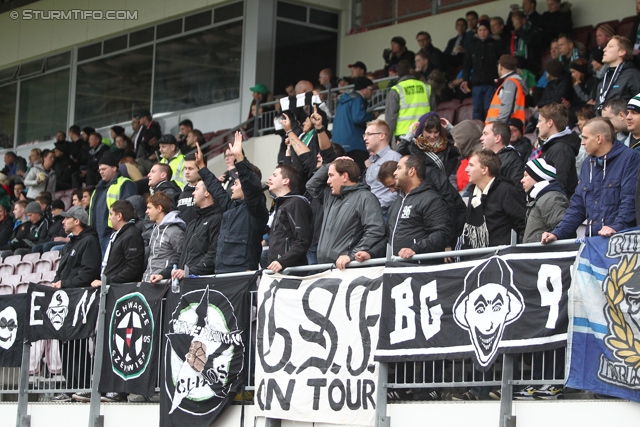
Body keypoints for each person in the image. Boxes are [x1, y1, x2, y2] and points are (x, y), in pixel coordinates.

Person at [543, 118, 640, 243]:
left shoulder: (630, 159)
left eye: (585, 138)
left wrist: (617, 227)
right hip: (593, 243)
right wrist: (557, 233)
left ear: (599, 139)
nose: (582, 143)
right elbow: (577, 206)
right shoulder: (587, 164)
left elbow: (630, 200)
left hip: (621, 244)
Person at [49, 206, 101, 403]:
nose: (62, 222)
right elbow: (61, 272)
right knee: (65, 344)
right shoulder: (69, 244)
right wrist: (56, 283)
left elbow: (88, 273)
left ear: (77, 221)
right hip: (65, 301)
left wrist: (65, 284)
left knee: (77, 345)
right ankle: (70, 387)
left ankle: (83, 388)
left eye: (66, 218)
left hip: (79, 300)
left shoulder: (89, 242)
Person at [195, 135, 267, 274]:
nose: (232, 188)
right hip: (222, 270)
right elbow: (216, 190)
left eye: (235, 183)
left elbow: (250, 185)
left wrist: (239, 158)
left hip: (241, 272)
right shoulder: (232, 207)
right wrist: (202, 167)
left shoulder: (255, 207)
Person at [306, 156, 386, 269]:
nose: (328, 181)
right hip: (325, 268)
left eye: (331, 175)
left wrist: (352, 255)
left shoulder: (365, 197)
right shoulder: (331, 196)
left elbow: (375, 230)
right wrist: (331, 165)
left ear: (344, 176)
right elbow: (311, 185)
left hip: (348, 268)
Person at [388, 155, 452, 259]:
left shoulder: (431, 199)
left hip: (421, 269)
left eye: (399, 168)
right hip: (397, 268)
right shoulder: (397, 203)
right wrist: (370, 252)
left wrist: (416, 249)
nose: (394, 173)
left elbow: (442, 233)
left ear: (411, 171)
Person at [461, 149, 526, 250]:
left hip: (500, 258)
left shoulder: (506, 191)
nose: (466, 169)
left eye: (471, 165)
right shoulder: (472, 193)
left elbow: (523, 224)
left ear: (484, 170)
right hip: (475, 257)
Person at [264, 163, 313, 273]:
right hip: (278, 270)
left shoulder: (296, 203)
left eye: (275, 175)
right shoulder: (282, 204)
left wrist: (283, 261)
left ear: (286, 181)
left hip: (291, 272)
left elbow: (302, 240)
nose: (269, 178)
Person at [88, 152, 137, 254]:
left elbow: (129, 210)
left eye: (104, 169)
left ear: (114, 168)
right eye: (99, 170)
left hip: (112, 233)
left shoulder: (125, 183)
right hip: (97, 235)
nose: (101, 172)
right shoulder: (98, 188)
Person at [89, 200, 144, 288]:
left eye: (111, 214)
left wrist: (107, 281)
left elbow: (133, 268)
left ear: (119, 216)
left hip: (120, 291)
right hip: (111, 288)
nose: (110, 218)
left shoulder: (131, 235)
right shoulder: (120, 234)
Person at [535, 103, 581, 197]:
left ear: (550, 123)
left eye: (540, 121)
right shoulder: (553, 146)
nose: (537, 125)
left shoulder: (561, 150)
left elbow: (558, 187)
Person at [521, 158, 569, 243]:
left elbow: (565, 231)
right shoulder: (542, 198)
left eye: (526, 175)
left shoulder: (551, 198)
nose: (522, 180)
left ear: (539, 175)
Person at [461, 19, 502, 121]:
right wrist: (465, 79)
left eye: (484, 30)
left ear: (489, 31)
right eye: (480, 30)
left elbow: (501, 61)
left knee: (489, 107)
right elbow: (467, 65)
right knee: (477, 109)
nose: (482, 32)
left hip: (490, 82)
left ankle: (489, 129)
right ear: (477, 32)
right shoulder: (472, 46)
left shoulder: (495, 44)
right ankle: (478, 132)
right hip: (476, 83)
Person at [331, 76, 375, 169]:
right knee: (358, 173)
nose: (373, 92)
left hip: (339, 145)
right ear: (364, 89)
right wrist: (373, 116)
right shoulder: (357, 99)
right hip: (355, 145)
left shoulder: (342, 102)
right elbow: (358, 118)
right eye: (371, 89)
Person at [385, 60, 435, 139]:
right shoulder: (426, 87)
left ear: (398, 73)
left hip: (404, 134)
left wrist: (388, 139)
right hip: (426, 132)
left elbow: (391, 117)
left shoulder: (396, 90)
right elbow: (433, 112)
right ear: (411, 70)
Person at [363, 120, 401, 220]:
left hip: (387, 214)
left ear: (382, 136)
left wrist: (377, 207)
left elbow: (400, 190)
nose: (365, 138)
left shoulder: (394, 158)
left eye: (369, 134)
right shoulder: (372, 162)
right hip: (372, 214)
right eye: (365, 135)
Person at [146, 192, 186, 283]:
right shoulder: (155, 229)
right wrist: (145, 276)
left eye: (149, 208)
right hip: (149, 281)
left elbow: (181, 256)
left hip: (163, 283)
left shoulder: (175, 231)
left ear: (159, 208)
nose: (146, 211)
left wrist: (163, 274)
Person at [594, 36, 640, 114]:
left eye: (610, 46)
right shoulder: (605, 77)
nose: (604, 49)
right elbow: (597, 106)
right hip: (603, 123)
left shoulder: (632, 74)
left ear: (621, 52)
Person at [480, 121, 524, 188]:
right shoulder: (488, 158)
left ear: (497, 138)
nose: (481, 138)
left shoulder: (512, 160)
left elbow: (517, 190)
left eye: (485, 134)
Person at [486, 55, 527, 123]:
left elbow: (506, 108)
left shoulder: (510, 83)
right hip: (512, 126)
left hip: (503, 128)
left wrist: (497, 126)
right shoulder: (514, 81)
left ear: (500, 66)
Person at [176, 154, 200, 225]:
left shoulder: (208, 190)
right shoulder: (182, 194)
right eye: (185, 168)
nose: (186, 172)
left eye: (190, 169)